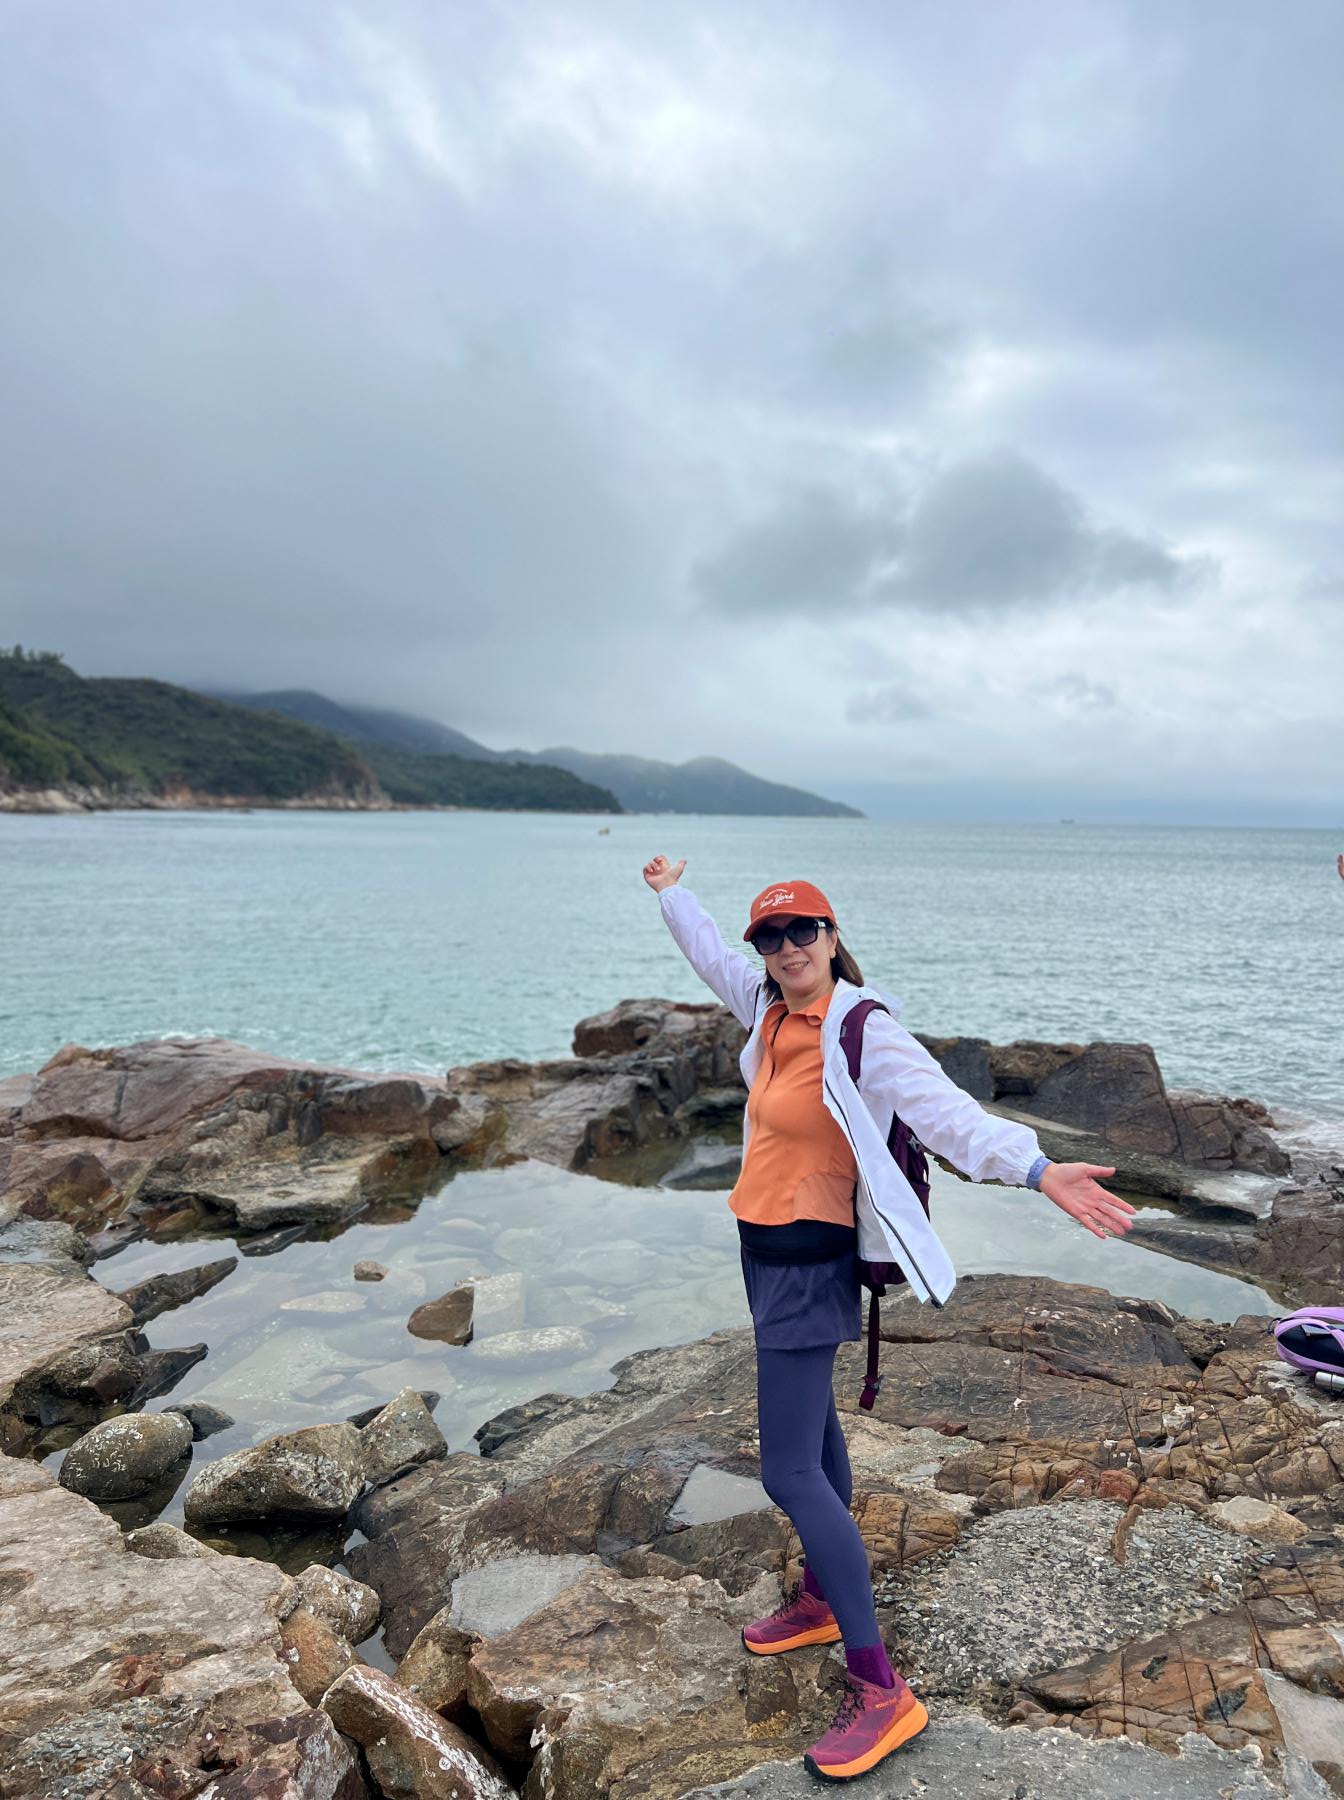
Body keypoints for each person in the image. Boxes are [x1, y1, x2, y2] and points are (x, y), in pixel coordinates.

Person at [642, 855, 1136, 1783]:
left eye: (803, 931)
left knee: (788, 1472)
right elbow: (710, 957)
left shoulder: (863, 1029)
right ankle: (822, 1599)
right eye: (771, 937)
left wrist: (1038, 1171)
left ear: (833, 939)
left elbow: (950, 1117)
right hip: (762, 1251)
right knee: (816, 1435)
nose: (787, 947)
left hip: (809, 1264)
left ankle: (880, 1689)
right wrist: (671, 893)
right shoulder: (768, 1010)